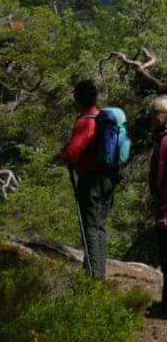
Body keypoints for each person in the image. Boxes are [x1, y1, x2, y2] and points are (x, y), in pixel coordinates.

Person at [58, 79, 115, 279]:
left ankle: (93, 276)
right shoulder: (101, 117)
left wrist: (62, 155)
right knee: (99, 227)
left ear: (78, 98)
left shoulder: (86, 121)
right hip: (107, 179)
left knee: (90, 227)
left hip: (91, 181)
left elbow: (72, 153)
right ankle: (97, 271)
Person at [148, 95, 167, 313]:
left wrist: (163, 212)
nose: (153, 118)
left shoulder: (164, 142)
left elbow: (163, 180)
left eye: (156, 113)